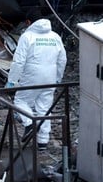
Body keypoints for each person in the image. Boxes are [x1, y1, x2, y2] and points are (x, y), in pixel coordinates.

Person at [5, 9, 67, 150]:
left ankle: (29, 123)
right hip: (50, 75)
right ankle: (42, 142)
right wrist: (58, 77)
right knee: (44, 107)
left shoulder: (27, 36)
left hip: (32, 75)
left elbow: (19, 61)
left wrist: (12, 80)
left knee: (20, 101)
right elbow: (62, 59)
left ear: (28, 22)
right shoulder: (55, 36)